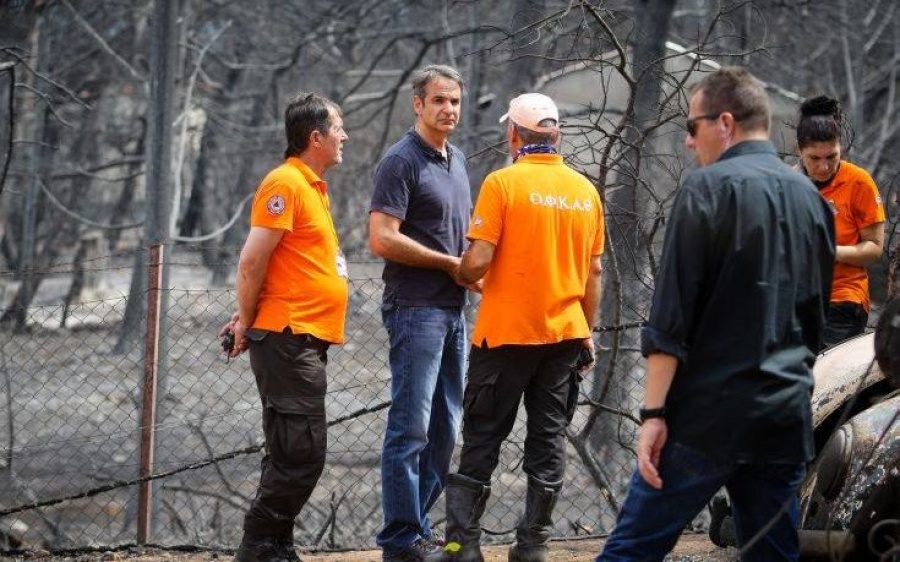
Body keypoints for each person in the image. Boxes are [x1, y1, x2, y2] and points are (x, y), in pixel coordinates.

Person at [595, 67, 835, 562]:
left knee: (630, 553)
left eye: (692, 127)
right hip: (782, 416)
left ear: (724, 122)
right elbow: (814, 318)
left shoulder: (705, 189)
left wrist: (654, 414)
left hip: (706, 417)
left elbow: (671, 318)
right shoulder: (812, 200)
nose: (688, 142)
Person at [428, 93, 604, 562]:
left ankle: (460, 547)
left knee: (483, 438)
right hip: (564, 336)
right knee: (548, 440)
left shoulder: (502, 183)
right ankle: (534, 547)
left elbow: (478, 261)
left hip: (506, 335)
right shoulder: (586, 192)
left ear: (514, 135)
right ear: (556, 135)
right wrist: (587, 328)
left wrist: (462, 271)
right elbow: (594, 274)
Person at [219, 92, 350, 562]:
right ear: (314, 137)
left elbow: (281, 268)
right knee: (302, 455)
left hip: (302, 337)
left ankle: (277, 547)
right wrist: (247, 322)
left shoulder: (312, 187)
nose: (344, 136)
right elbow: (252, 262)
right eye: (338, 128)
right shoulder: (285, 183)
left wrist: (245, 317)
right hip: (287, 337)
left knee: (288, 451)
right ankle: (258, 546)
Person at [368, 64, 473, 562]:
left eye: (454, 101)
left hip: (455, 310)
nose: (448, 109)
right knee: (410, 429)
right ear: (418, 103)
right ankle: (400, 540)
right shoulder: (400, 160)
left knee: (446, 429)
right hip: (415, 309)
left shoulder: (457, 159)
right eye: (438, 101)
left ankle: (419, 526)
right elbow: (381, 237)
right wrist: (449, 263)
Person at [796, 95, 885, 348]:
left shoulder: (859, 182)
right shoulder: (787, 183)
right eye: (815, 158)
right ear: (799, 150)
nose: (824, 167)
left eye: (831, 156)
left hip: (844, 298)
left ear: (840, 148)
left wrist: (831, 252)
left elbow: (874, 248)